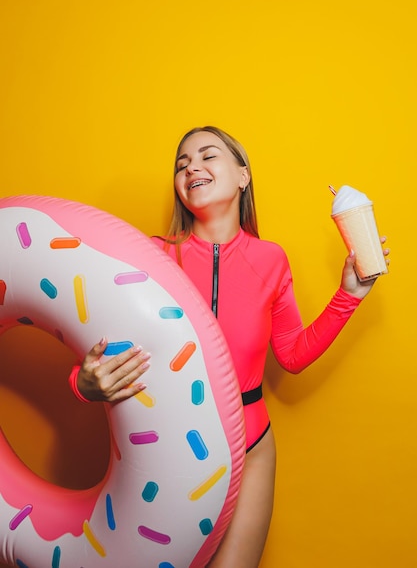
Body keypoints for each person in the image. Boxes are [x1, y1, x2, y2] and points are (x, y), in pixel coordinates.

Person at [69, 126, 389, 567]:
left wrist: (348, 295)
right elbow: (96, 352)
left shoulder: (271, 259)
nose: (191, 167)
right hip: (164, 451)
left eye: (206, 156)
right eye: (182, 164)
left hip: (252, 447)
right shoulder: (149, 256)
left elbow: (292, 355)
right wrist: (84, 383)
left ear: (243, 176)